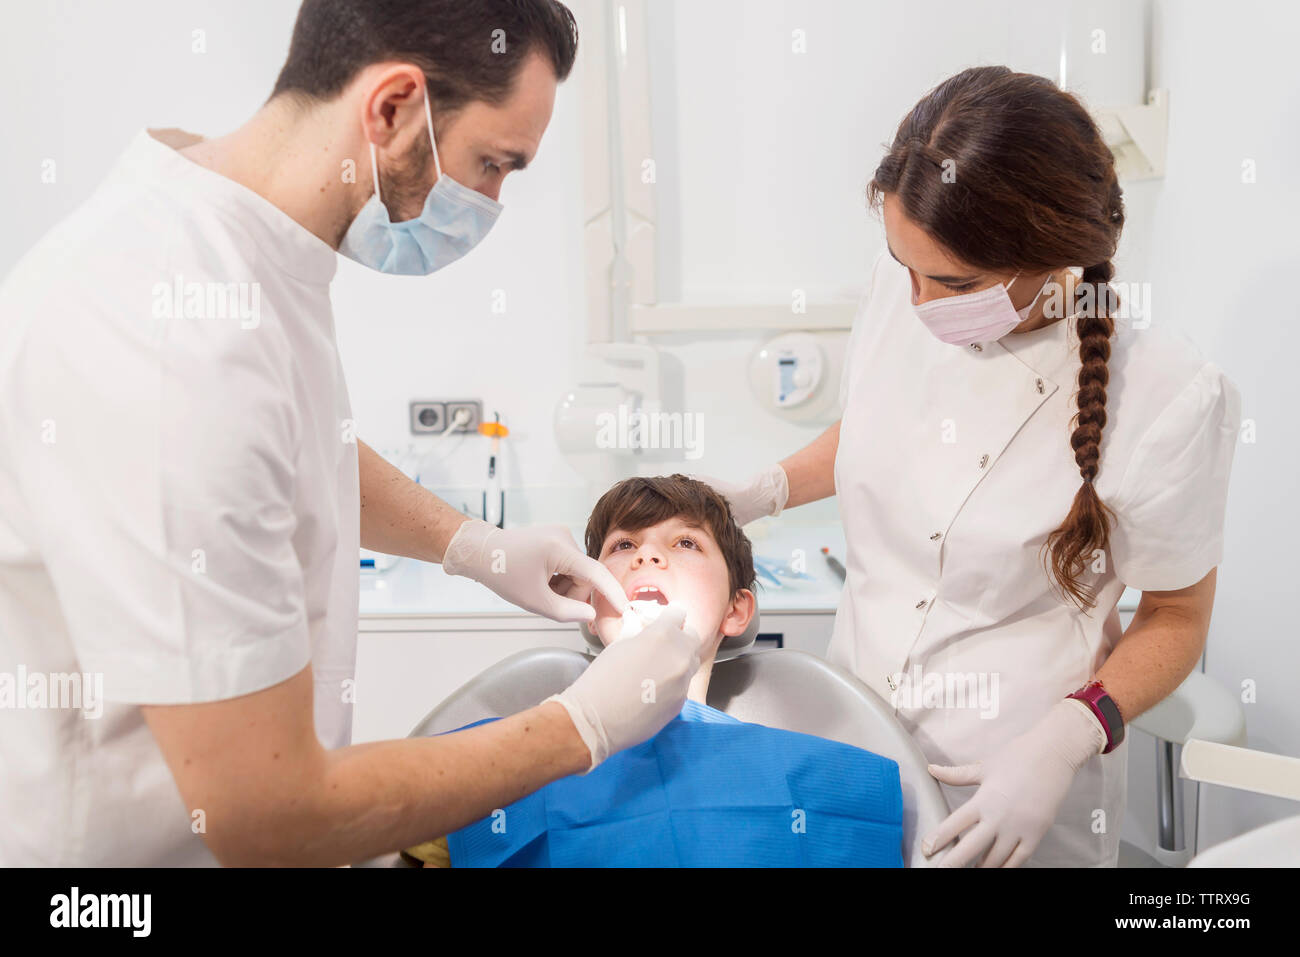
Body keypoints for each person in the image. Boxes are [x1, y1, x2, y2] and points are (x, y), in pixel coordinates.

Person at [0, 0, 708, 867]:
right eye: (493, 164)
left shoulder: (243, 229)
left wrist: (473, 544)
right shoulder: (170, 338)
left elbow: (297, 445)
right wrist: (583, 725)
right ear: (393, 106)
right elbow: (265, 816)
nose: (490, 202)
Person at [702, 66, 1241, 867]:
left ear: (1057, 254)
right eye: (903, 264)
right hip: (855, 740)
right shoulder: (908, 280)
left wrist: (1070, 733)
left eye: (954, 283)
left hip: (1017, 786)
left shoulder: (1167, 397)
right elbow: (884, 430)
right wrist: (762, 489)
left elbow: (1176, 616)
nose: (918, 301)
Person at [404, 475, 904, 867]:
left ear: (737, 610)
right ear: (587, 598)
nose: (647, 554)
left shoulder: (826, 780)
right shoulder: (482, 766)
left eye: (686, 543)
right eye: (623, 546)